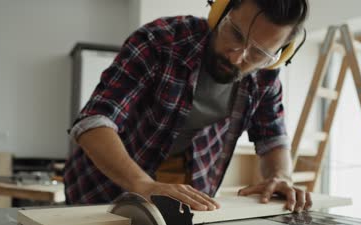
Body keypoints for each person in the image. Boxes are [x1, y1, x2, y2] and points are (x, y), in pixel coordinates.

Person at [64, 0, 312, 213]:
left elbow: (273, 139)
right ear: (220, 12)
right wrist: (143, 184)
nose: (237, 57)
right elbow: (93, 122)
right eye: (235, 34)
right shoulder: (160, 40)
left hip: (184, 187)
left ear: (277, 56)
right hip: (101, 187)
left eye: (258, 53)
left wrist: (280, 177)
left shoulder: (265, 76)